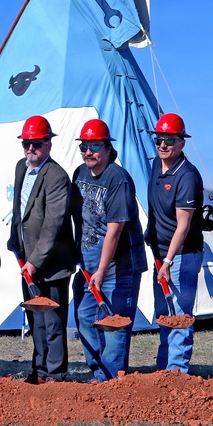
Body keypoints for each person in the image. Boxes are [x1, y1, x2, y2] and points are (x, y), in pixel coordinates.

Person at [71, 119, 147, 382]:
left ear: (107, 148)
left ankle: (111, 379)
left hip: (119, 266)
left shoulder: (118, 179)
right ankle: (99, 371)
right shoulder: (79, 174)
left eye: (94, 146)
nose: (88, 152)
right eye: (84, 146)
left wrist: (102, 270)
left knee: (115, 322)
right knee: (84, 316)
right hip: (88, 263)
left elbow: (115, 229)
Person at [7, 115, 78, 384]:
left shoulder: (57, 176)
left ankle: (55, 374)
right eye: (26, 143)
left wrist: (35, 261)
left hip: (53, 263)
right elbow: (19, 209)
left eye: (36, 144)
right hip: (27, 260)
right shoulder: (21, 168)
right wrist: (14, 240)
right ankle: (39, 370)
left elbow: (53, 224)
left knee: (53, 322)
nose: (30, 149)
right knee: (35, 318)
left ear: (48, 144)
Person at [146, 112, 204, 374]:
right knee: (164, 313)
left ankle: (177, 372)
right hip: (161, 254)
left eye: (169, 140)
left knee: (179, 314)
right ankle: (164, 371)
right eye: (159, 139)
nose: (163, 145)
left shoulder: (187, 175)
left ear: (181, 142)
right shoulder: (156, 166)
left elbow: (183, 225)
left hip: (182, 255)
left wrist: (168, 261)